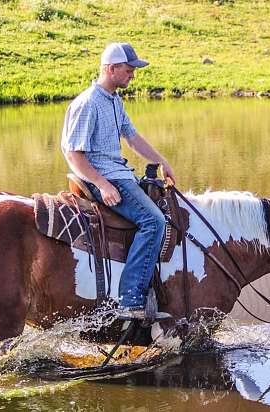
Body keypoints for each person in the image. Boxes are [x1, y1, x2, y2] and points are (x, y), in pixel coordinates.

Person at [61, 42, 175, 321]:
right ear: (111, 69)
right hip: (107, 177)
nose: (133, 74)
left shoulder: (115, 101)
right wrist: (102, 184)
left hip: (119, 173)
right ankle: (131, 300)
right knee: (154, 221)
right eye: (128, 69)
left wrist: (162, 162)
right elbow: (73, 153)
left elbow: (133, 138)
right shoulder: (87, 103)